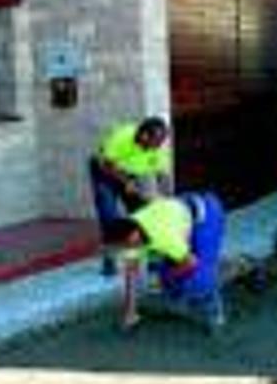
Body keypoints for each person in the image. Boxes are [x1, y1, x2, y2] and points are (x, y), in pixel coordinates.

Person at [102, 192, 226, 334]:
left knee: (201, 279)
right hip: (179, 213)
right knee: (167, 274)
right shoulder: (128, 231)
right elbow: (131, 272)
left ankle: (215, 313)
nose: (123, 251)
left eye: (124, 246)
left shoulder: (165, 238)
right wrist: (130, 314)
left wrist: (168, 277)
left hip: (206, 215)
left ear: (133, 237)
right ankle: (181, 296)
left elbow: (191, 263)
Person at [89, 116, 172, 275]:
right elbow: (105, 164)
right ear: (144, 136)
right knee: (109, 215)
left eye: (160, 143)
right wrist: (125, 182)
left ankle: (153, 260)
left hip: (129, 174)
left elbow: (162, 176)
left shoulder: (156, 148)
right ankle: (109, 261)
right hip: (104, 174)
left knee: (145, 214)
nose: (156, 147)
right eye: (155, 142)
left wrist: (166, 200)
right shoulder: (123, 136)